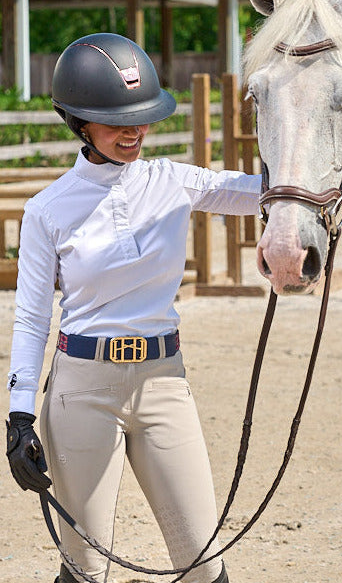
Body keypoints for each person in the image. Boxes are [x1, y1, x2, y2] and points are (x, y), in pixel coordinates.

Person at [5, 33, 261, 583]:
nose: (134, 131)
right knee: (86, 568)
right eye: (116, 119)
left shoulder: (172, 181)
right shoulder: (47, 210)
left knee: (203, 564)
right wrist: (19, 414)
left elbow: (255, 192)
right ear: (78, 122)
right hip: (82, 391)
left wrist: (317, 176)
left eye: (141, 118)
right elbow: (31, 318)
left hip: (163, 383)